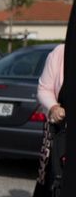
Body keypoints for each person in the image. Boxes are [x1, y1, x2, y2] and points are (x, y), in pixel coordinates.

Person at [33, 43, 66, 197]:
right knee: (53, 179)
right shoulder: (60, 52)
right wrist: (53, 107)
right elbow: (44, 88)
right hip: (60, 130)